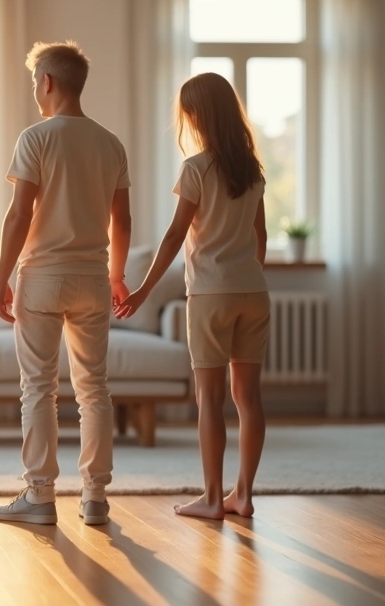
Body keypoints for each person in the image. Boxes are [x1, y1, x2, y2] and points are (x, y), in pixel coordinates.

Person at [0, 41, 132, 526]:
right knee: (94, 389)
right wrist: (117, 276)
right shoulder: (111, 143)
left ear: (47, 82)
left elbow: (19, 214)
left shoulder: (35, 138)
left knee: (38, 388)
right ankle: (95, 498)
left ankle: (40, 496)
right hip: (92, 277)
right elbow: (122, 221)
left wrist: (1, 276)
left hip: (42, 277)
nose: (35, 90)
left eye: (35, 82)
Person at [117, 72, 269, 520]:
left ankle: (212, 499)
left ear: (199, 115)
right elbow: (260, 237)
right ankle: (243, 495)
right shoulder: (252, 170)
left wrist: (142, 290)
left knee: (209, 398)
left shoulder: (196, 168)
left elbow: (173, 237)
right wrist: (247, 274)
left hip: (210, 294)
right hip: (253, 293)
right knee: (249, 399)